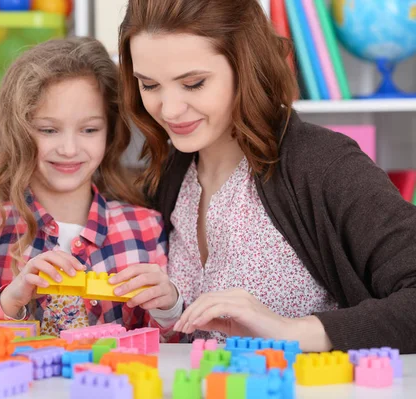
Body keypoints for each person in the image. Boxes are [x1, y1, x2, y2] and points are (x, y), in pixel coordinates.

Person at [113, 0, 416, 353]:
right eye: (149, 85)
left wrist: (293, 331)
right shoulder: (168, 173)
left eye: (193, 84)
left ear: (246, 66)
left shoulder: (322, 165)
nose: (169, 110)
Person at [0, 37, 181, 339]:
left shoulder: (146, 228)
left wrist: (169, 307)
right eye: (49, 130)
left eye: (89, 130)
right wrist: (12, 299)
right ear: (19, 133)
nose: (69, 149)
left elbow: (171, 345)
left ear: (110, 131)